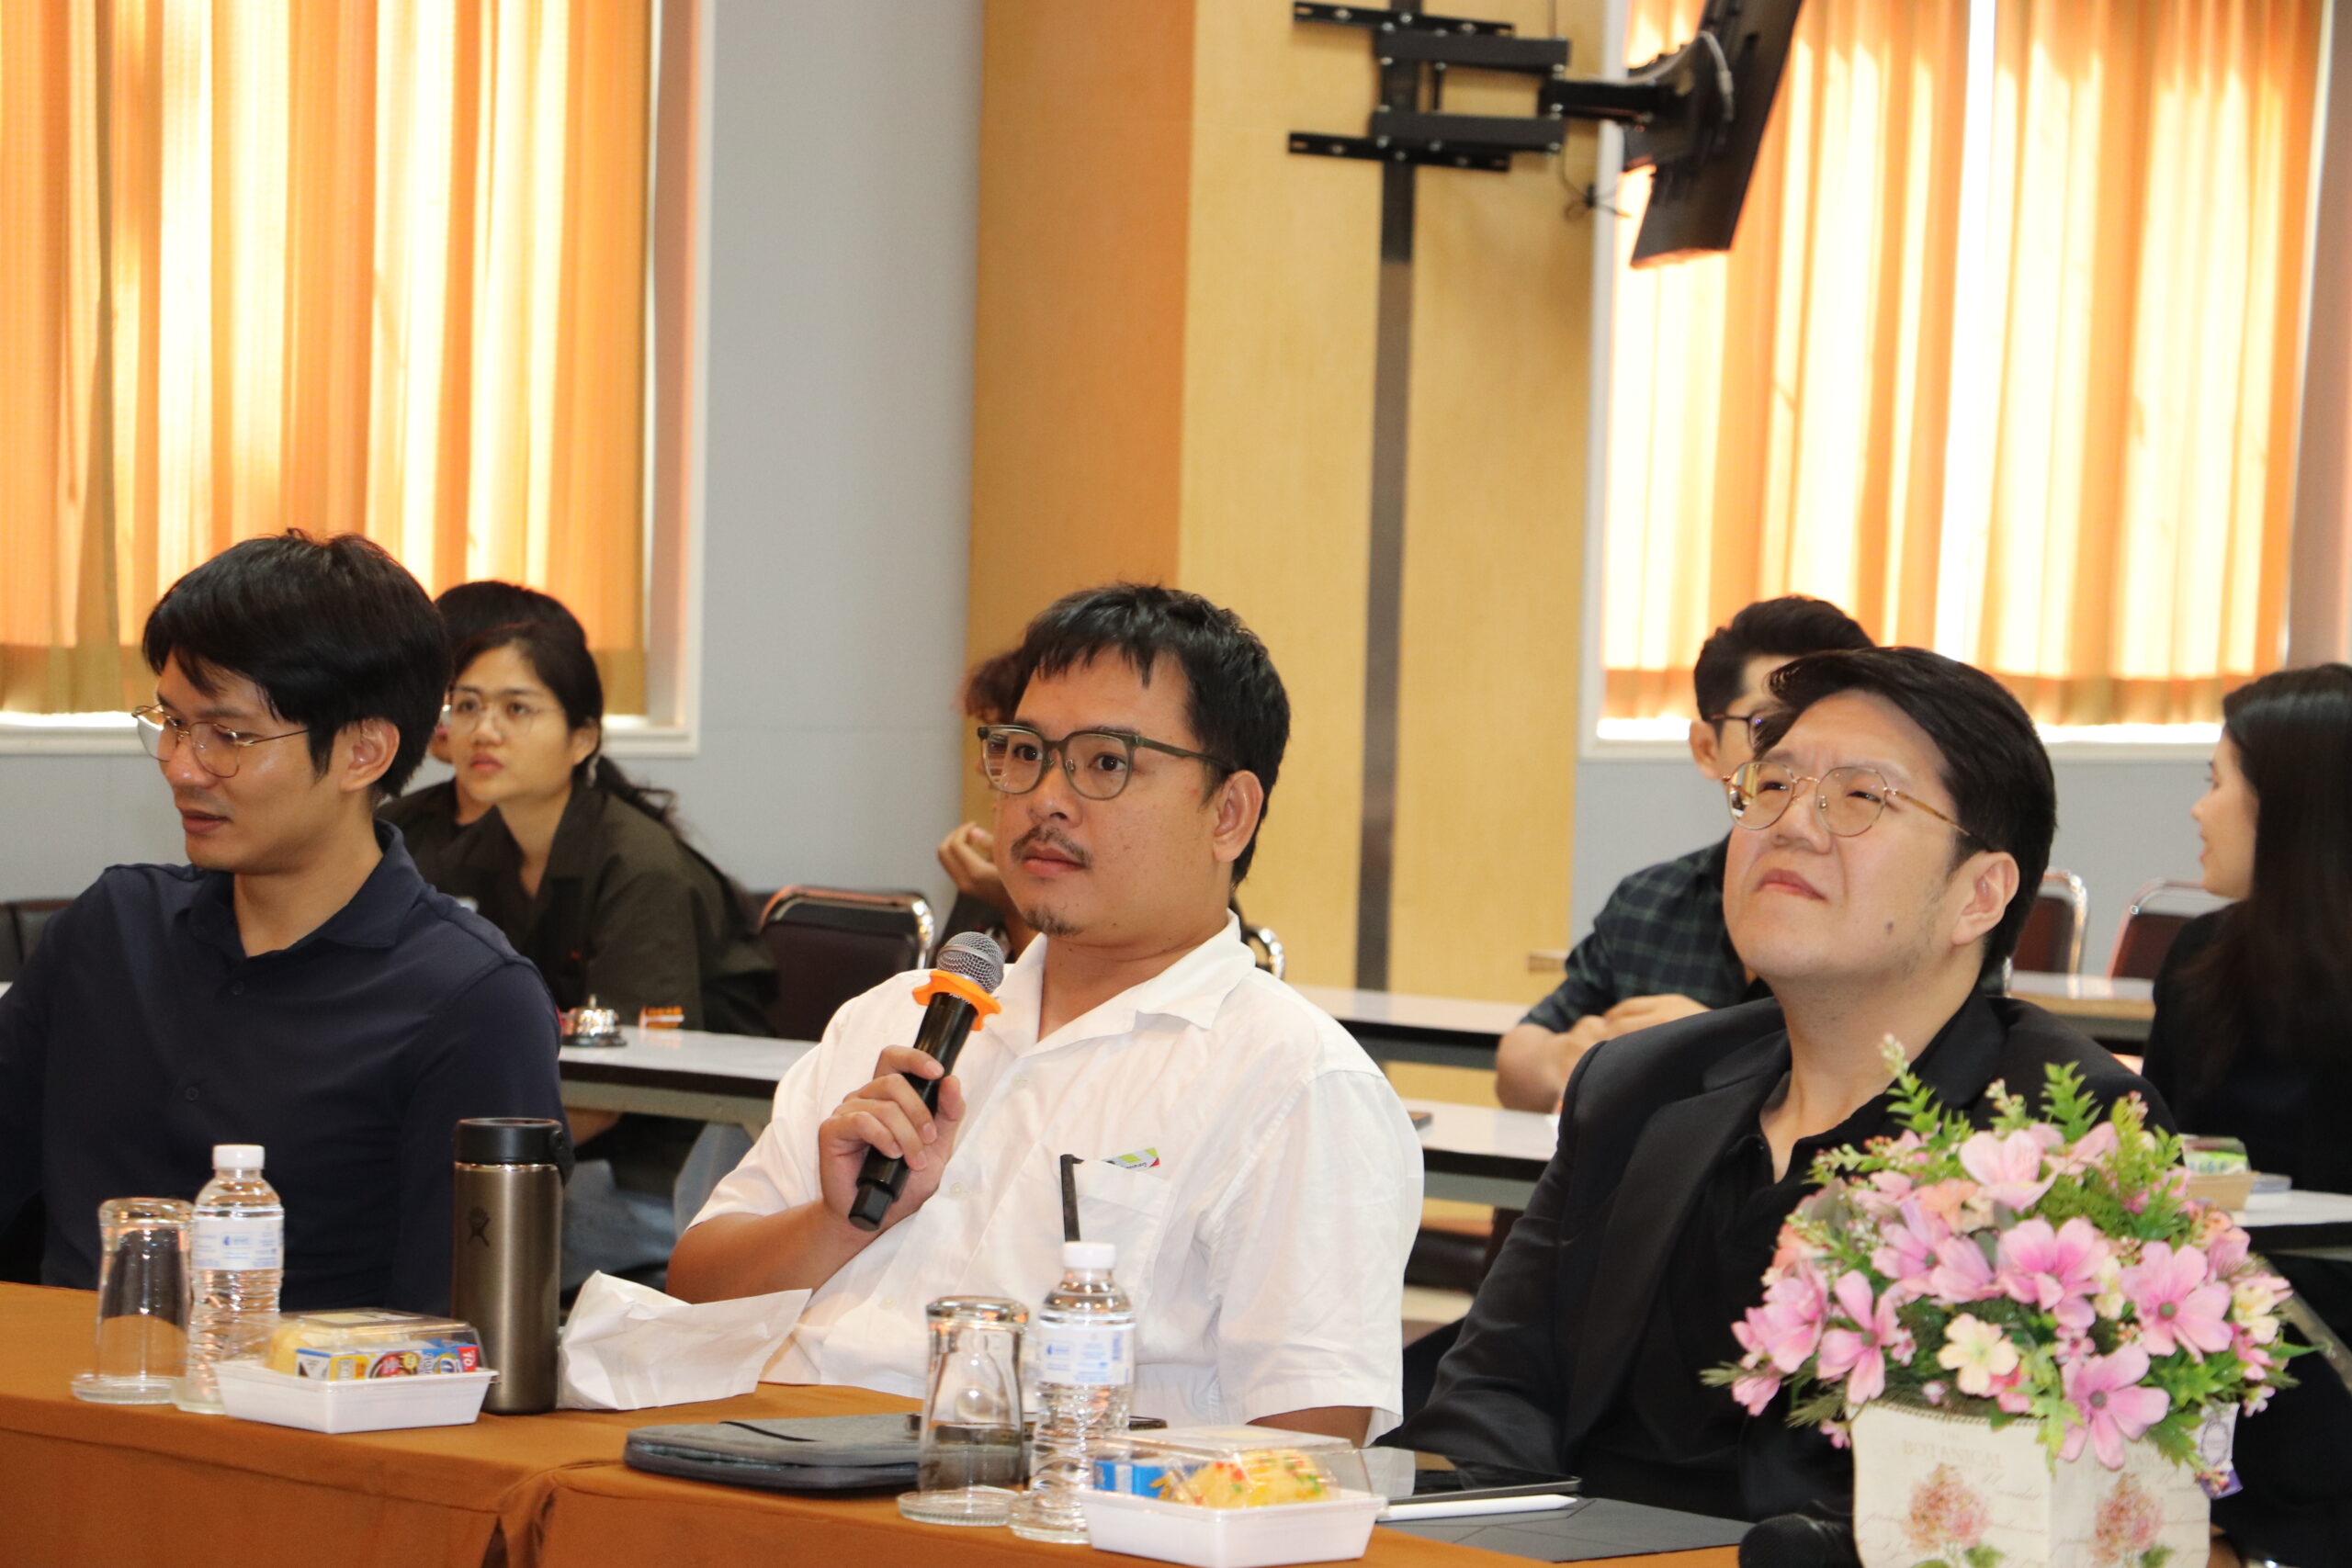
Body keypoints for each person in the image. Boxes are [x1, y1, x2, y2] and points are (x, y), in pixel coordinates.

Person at [1394, 647, 2168, 1530]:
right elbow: (1494, 1390)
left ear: (1980, 895)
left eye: (1861, 796)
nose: (1791, 823)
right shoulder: (1641, 1083)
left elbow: (2004, 1501)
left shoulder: (2058, 1134)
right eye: (1771, 786)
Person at [670, 584, 1422, 1442]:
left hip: (1035, 1505)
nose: (1044, 799)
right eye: (1024, 753)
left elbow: (1305, 1450)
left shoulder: (1296, 1084)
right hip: (764, 1468)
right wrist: (836, 1223)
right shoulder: (899, 1019)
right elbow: (693, 1295)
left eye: (1105, 763)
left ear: (1229, 813)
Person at [0, 533, 565, 1314]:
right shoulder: (111, 931)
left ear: (363, 752)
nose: (181, 765)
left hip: (307, 1388)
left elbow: (456, 1333)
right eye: (172, 721)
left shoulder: (472, 1001)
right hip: (60, 1378)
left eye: (228, 736)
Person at [381, 617, 775, 1287]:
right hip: (542, 1140)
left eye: (517, 709)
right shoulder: (474, 850)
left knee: (441, 1235)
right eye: (467, 706)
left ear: (583, 738)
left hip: (665, 1170)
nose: (484, 730)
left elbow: (620, 1086)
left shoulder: (639, 866)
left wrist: (458, 1162)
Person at [1496, 597, 1873, 1111]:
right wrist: (1571, 1058)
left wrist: (1710, 1052)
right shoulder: (1650, 903)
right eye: (1769, 724)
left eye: (1832, 726)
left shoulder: (1891, 909)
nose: (1800, 750)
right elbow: (1519, 1064)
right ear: (1706, 750)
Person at [2142, 664, 2352, 1567]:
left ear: (2290, 807)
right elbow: (2152, 1166)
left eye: (2216, 780)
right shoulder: (2203, 957)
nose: (2200, 809)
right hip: (2219, 1377)